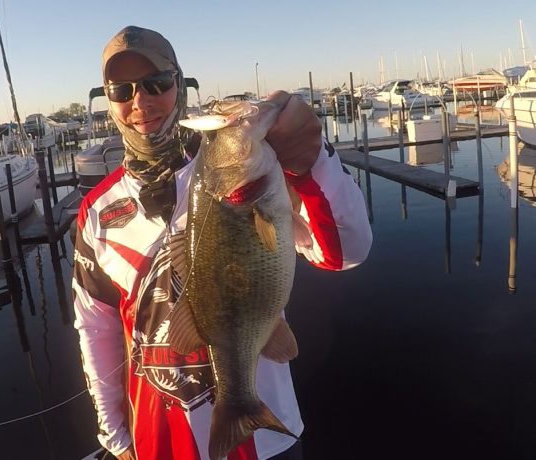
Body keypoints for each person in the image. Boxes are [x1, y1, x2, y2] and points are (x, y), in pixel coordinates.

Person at [72, 26, 372, 460]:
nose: (141, 101)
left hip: (267, 442)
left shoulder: (249, 168)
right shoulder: (97, 212)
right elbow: (95, 331)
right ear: (109, 101)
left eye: (157, 83)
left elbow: (347, 251)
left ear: (180, 85)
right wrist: (116, 437)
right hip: (159, 445)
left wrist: (310, 161)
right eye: (122, 90)